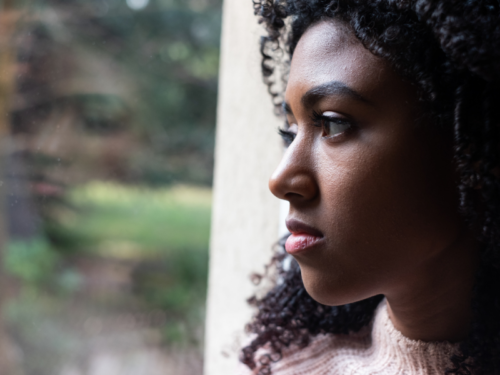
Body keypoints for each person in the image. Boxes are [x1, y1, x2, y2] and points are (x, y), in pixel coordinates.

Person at [239, 1, 500, 374]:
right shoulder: (285, 364)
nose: (280, 180)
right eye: (290, 132)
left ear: (472, 146)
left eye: (333, 124)